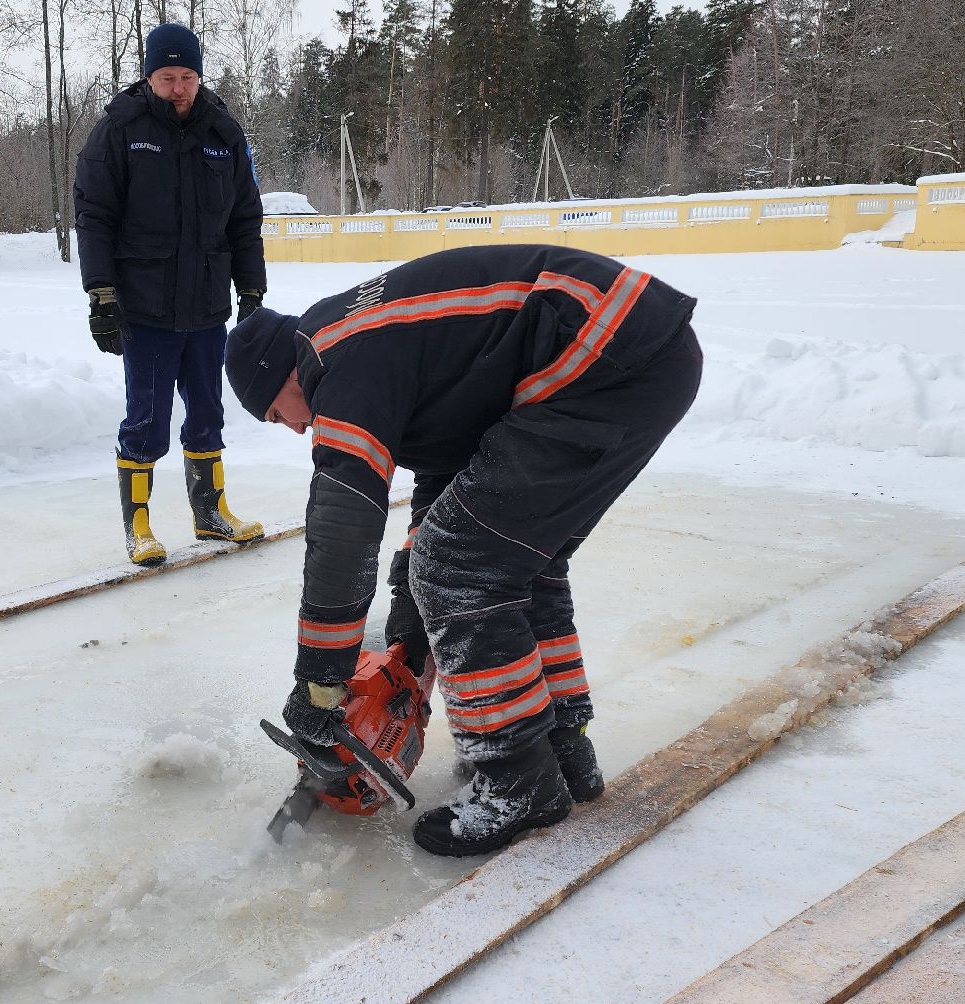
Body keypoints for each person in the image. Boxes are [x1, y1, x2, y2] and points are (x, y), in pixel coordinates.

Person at [224, 244, 704, 857]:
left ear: (286, 376)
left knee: (459, 568)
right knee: (516, 566)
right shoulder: (367, 344)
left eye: (276, 414)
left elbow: (342, 530)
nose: (296, 429)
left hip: (605, 357)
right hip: (633, 353)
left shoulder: (336, 362)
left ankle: (517, 782)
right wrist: (408, 607)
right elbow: (449, 483)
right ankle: (560, 748)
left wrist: (321, 677)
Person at [73, 22, 267, 566]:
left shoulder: (224, 134)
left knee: (207, 412)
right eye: (166, 77)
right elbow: (94, 218)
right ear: (149, 76)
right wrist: (101, 294)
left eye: (187, 76)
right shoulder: (119, 130)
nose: (178, 88)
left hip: (206, 306)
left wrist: (251, 290)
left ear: (199, 76)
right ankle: (138, 526)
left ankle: (211, 515)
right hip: (146, 307)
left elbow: (245, 218)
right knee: (147, 419)